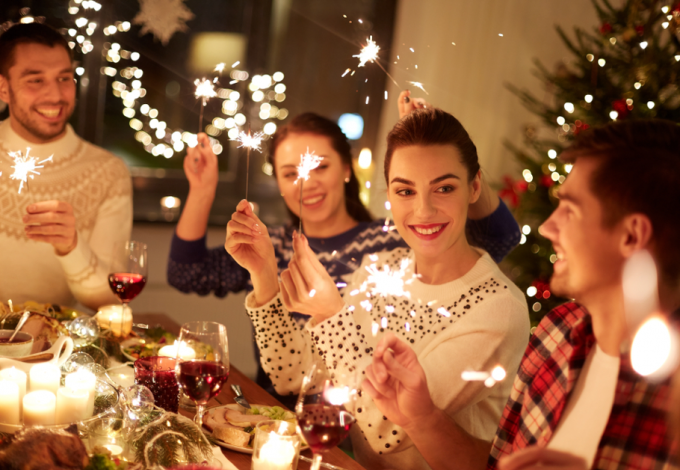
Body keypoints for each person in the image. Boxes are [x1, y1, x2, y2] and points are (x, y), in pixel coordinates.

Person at [362, 119, 680, 470]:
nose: (548, 226)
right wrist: (421, 418)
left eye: (570, 210)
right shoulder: (555, 334)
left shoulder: (671, 402)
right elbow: (497, 464)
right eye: (404, 190)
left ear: (631, 237)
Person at [230, 108, 530, 470]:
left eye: (444, 188)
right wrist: (263, 274)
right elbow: (292, 374)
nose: (423, 209)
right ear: (388, 193)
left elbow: (390, 430)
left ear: (474, 187)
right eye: (406, 190)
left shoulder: (496, 307)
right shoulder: (380, 268)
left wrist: (330, 315)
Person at [167, 95, 521, 392]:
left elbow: (498, 236)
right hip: (277, 406)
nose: (307, 183)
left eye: (320, 166)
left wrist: (431, 159)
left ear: (347, 169)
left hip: (359, 413)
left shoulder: (392, 242)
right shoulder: (269, 243)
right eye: (291, 173)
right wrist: (201, 191)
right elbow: (186, 273)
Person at [0, 23, 131, 310]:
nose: (56, 95)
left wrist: (72, 247)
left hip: (53, 347)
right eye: (35, 80)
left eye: (64, 78)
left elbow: (108, 299)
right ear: (3, 88)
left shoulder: (107, 172)